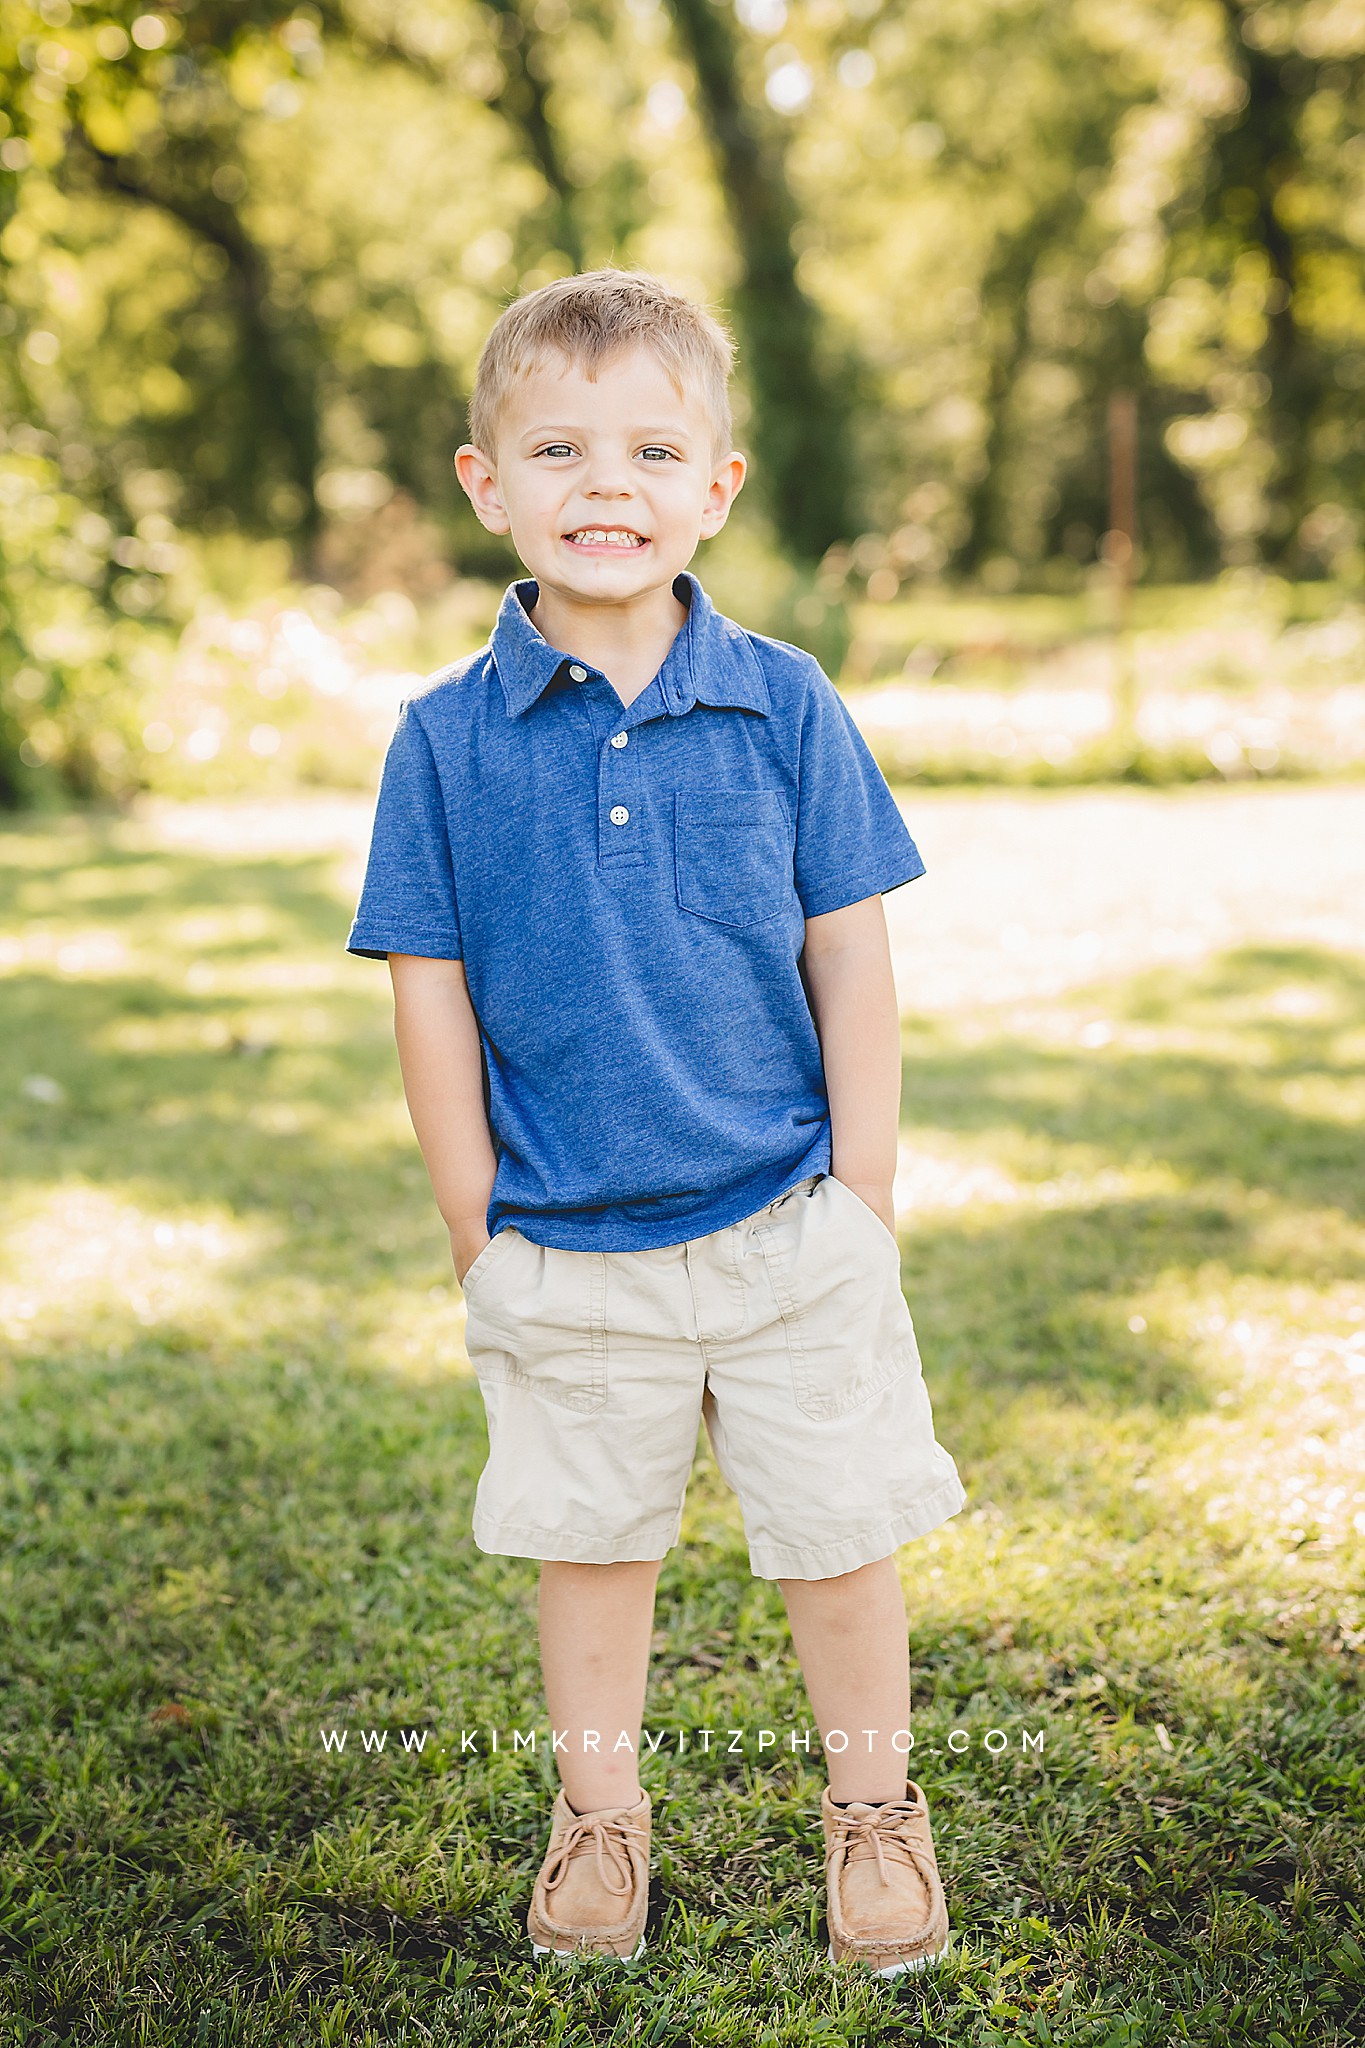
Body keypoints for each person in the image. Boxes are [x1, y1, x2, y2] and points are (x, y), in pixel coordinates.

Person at [346, 269, 966, 1977]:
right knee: (591, 1553)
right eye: (555, 448)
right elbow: (428, 992)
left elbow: (850, 955)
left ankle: (874, 1818)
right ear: (486, 484)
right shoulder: (443, 742)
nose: (602, 485)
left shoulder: (787, 702)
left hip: (785, 1225)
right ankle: (599, 1821)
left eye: (648, 450)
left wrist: (863, 1197)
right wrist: (482, 1235)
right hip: (568, 1246)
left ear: (716, 488)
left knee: (840, 1548)